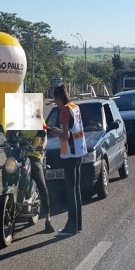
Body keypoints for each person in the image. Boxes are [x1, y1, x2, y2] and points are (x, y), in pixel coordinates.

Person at [50, 85, 86, 236]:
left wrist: (57, 131)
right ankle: (77, 225)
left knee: (71, 191)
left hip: (70, 153)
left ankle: (71, 227)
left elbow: (65, 135)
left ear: (59, 98)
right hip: (79, 150)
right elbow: (73, 130)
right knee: (76, 190)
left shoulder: (64, 110)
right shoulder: (74, 107)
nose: (55, 104)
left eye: (55, 101)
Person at [18, 127, 56, 233]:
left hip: (34, 156)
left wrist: (42, 146)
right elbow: (11, 135)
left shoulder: (38, 118)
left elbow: (44, 137)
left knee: (42, 186)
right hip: (19, 156)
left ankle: (48, 219)